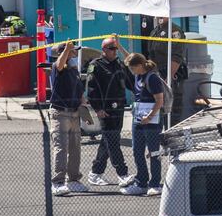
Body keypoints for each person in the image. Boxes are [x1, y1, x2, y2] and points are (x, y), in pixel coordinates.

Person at [85, 35, 136, 187]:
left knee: (107, 141)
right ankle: (122, 173)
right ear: (104, 50)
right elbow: (91, 89)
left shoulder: (120, 64)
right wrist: (98, 109)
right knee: (113, 141)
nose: (115, 51)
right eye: (112, 49)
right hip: (105, 110)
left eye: (116, 49)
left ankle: (95, 173)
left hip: (119, 109)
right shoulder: (96, 65)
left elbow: (131, 82)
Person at [49, 41, 89, 196]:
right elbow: (59, 65)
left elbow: (79, 92)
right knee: (61, 147)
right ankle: (58, 182)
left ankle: (73, 180)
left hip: (74, 112)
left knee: (75, 148)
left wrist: (84, 107)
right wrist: (66, 50)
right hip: (60, 113)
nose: (75, 54)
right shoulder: (57, 67)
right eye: (73, 52)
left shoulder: (74, 70)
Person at [121, 53, 164, 196]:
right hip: (138, 118)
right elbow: (130, 56)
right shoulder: (137, 75)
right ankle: (141, 182)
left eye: (133, 68)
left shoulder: (152, 78)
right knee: (137, 151)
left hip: (152, 120)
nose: (131, 72)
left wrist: (150, 116)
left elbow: (159, 100)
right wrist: (120, 45)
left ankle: (155, 183)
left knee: (154, 152)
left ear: (140, 66)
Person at [148, 17, 186, 123]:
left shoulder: (174, 31)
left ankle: (172, 138)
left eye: (162, 13)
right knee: (160, 109)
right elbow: (151, 56)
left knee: (172, 109)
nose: (159, 16)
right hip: (157, 74)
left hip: (171, 74)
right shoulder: (155, 31)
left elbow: (177, 57)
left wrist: (168, 77)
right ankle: (161, 137)